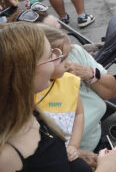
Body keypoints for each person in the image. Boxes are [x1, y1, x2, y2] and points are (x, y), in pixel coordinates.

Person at [0, 23, 116, 172]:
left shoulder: (29, 112)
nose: (58, 60)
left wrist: (75, 156)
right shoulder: (6, 157)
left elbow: (50, 157)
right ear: (25, 72)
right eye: (50, 56)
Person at [35, 26, 89, 170]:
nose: (68, 63)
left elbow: (79, 114)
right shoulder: (30, 92)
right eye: (61, 58)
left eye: (67, 56)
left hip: (66, 152)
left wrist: (74, 145)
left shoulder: (70, 82)